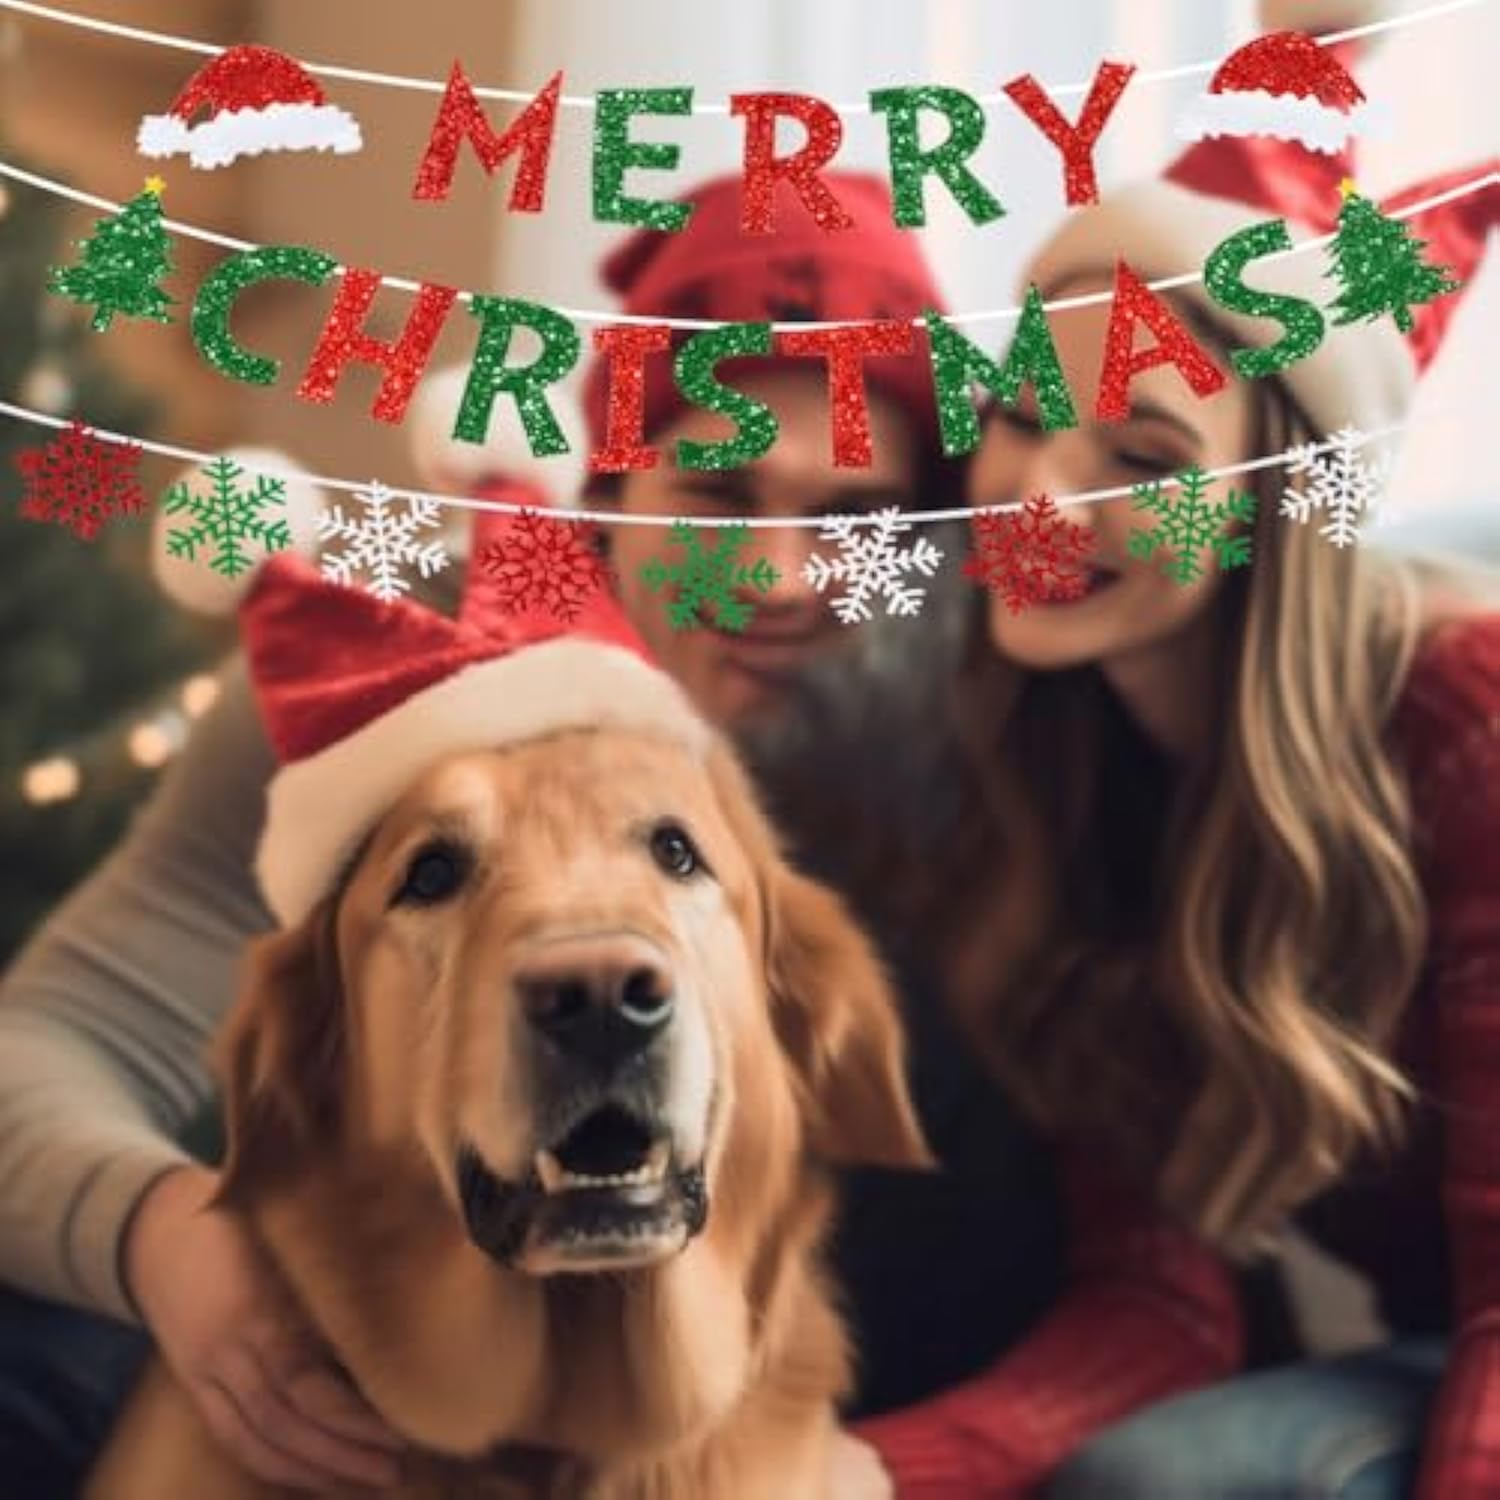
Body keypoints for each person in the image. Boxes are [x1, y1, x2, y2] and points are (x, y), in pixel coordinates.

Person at [0, 170, 1062, 1496]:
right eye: (720, 499)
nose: (784, 580)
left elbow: (1138, 1250)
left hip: (826, 1366)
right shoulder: (363, 682)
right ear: (606, 496)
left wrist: (870, 1468)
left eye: (855, 521)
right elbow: (40, 1051)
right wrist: (168, 1244)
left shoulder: (999, 715)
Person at [831, 13, 1500, 1500]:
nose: (1036, 500)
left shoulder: (1467, 725)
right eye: (1018, 417)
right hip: (1416, 1362)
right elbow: (1159, 1295)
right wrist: (858, 1480)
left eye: (1144, 460)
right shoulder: (1059, 766)